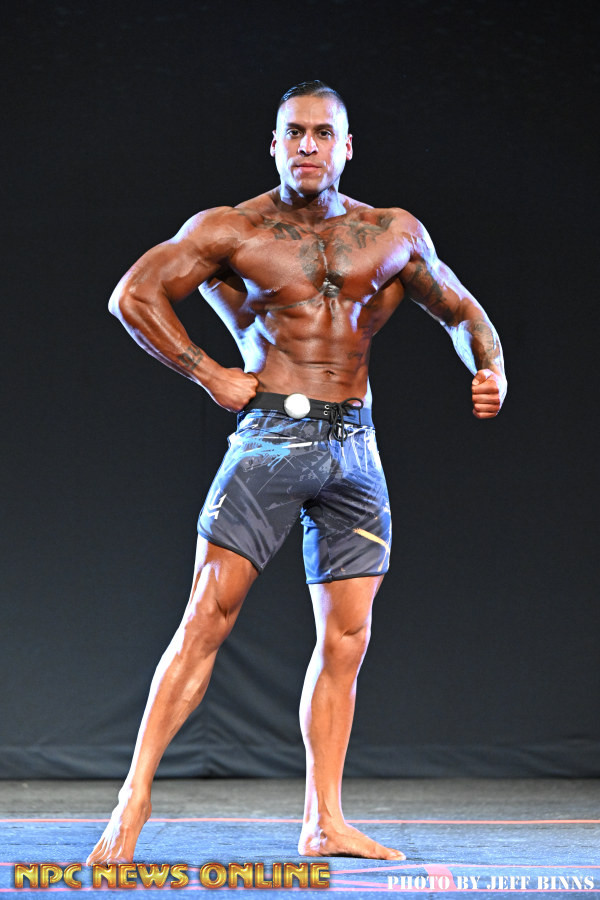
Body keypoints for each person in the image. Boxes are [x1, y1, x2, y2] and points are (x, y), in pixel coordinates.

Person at [86, 80, 506, 865]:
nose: (308, 145)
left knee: (349, 638)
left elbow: (464, 312)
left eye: (322, 133)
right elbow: (132, 295)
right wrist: (208, 373)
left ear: (347, 147)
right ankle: (132, 802)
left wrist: (492, 370)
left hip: (356, 448)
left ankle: (323, 821)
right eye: (294, 133)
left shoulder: (391, 232)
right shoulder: (232, 229)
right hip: (271, 438)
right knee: (207, 617)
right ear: (275, 144)